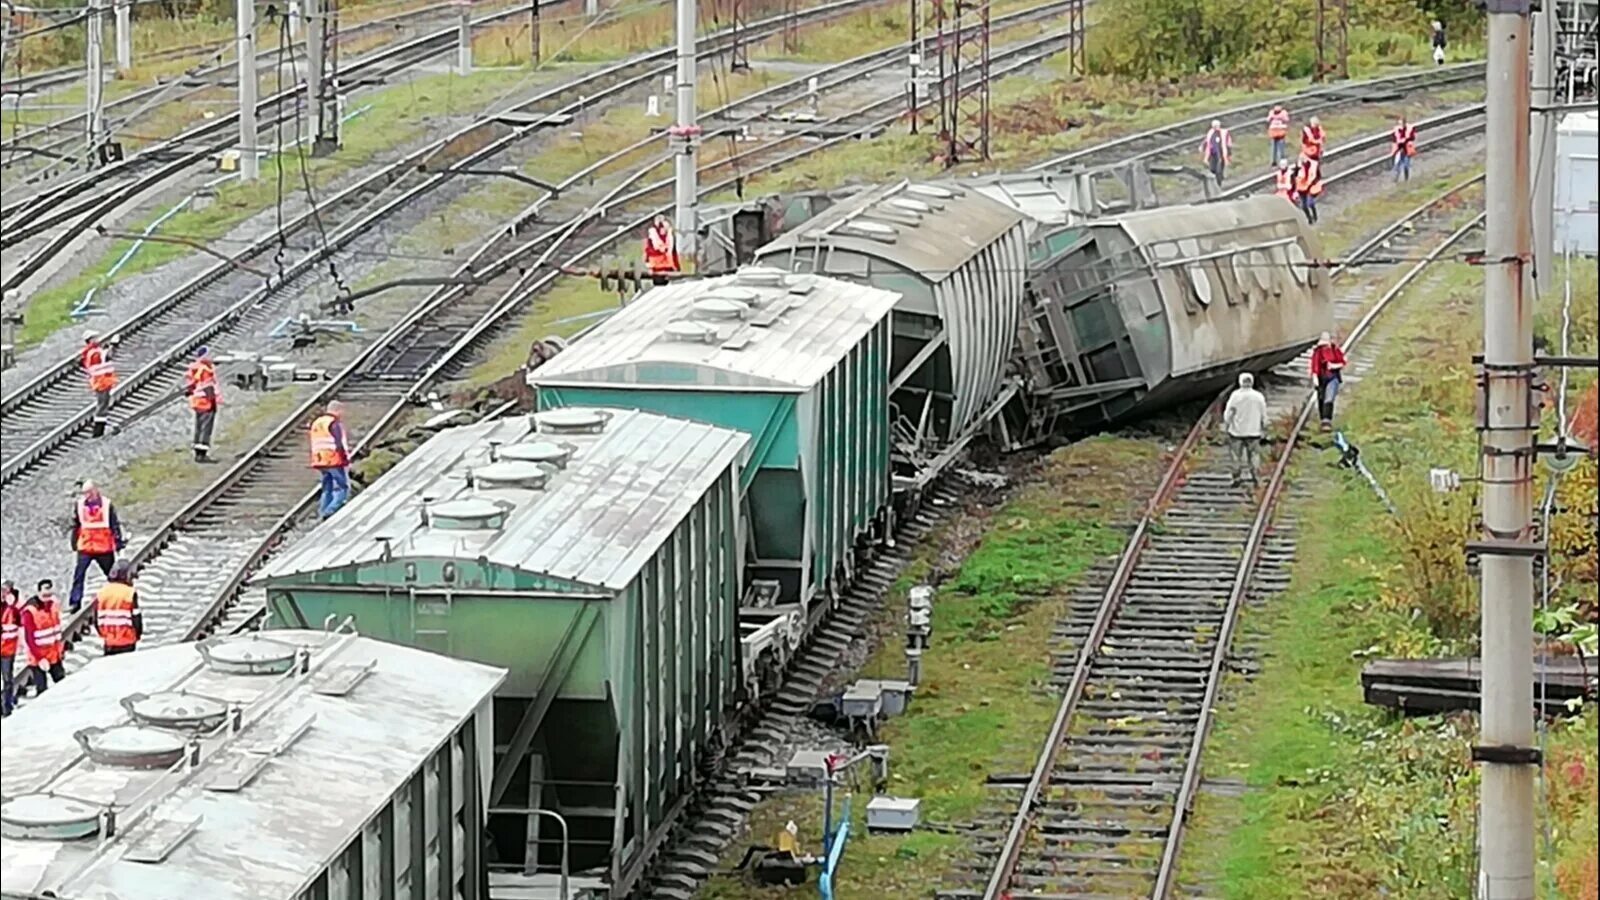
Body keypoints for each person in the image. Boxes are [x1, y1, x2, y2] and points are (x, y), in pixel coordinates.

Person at [69, 480, 124, 612]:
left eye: (89, 492)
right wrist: (74, 542)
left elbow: (114, 524)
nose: (86, 496)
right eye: (84, 493)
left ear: (95, 490)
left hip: (103, 547)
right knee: (79, 575)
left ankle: (119, 597)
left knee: (112, 574)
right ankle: (75, 603)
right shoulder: (79, 504)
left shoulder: (106, 505)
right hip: (86, 546)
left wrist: (118, 542)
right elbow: (76, 524)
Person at [1223, 372, 1267, 488]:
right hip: (1254, 432)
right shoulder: (1259, 397)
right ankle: (1256, 478)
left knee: (1236, 456)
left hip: (1237, 432)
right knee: (1254, 455)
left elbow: (1228, 413)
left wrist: (1227, 425)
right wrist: (1264, 428)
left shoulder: (1235, 396)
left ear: (1240, 382)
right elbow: (1264, 415)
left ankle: (1236, 478)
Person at [21, 582, 66, 695]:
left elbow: (56, 631)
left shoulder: (53, 606)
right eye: (45, 595)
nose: (47, 598)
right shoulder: (30, 611)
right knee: (42, 690)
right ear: (38, 592)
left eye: (49, 595)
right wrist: (40, 658)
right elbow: (29, 638)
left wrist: (60, 651)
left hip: (54, 654)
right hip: (38, 657)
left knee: (63, 683)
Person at [309, 401, 352, 518]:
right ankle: (330, 511)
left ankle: (323, 511)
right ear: (337, 410)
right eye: (341, 411)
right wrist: (346, 459)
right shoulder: (334, 423)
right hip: (333, 459)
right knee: (342, 487)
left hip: (319, 459)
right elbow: (339, 443)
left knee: (326, 488)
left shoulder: (317, 423)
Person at [93, 560, 142, 656]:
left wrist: (104, 635)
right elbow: (136, 619)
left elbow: (96, 620)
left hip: (109, 641)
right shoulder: (129, 593)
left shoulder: (102, 593)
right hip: (127, 640)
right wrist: (137, 634)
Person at [185, 346, 220, 463]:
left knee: (199, 427)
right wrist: (213, 400)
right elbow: (207, 386)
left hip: (197, 401)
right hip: (206, 402)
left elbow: (190, 386)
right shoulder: (206, 369)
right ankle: (202, 454)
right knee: (206, 428)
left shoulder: (195, 368)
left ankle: (197, 452)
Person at [81, 330, 117, 438]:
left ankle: (100, 429)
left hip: (102, 381)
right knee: (102, 405)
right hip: (101, 382)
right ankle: (98, 432)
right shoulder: (94, 352)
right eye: (95, 338)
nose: (98, 339)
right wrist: (113, 345)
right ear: (90, 340)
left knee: (103, 404)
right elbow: (108, 356)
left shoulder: (92, 351)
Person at [1310, 331, 1348, 430]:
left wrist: (1334, 366)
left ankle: (1327, 421)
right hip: (1321, 378)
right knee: (1321, 399)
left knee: (1329, 398)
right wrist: (1315, 377)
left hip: (1332, 377)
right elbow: (1315, 366)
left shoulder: (1335, 350)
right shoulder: (1318, 352)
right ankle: (1323, 418)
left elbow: (1343, 362)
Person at [1, 581, 19, 717]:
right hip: (7, 648)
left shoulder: (13, 607)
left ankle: (7, 706)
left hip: (7, 649)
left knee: (7, 679)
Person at [1199, 120, 1233, 184]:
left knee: (1219, 170)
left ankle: (1219, 181)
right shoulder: (1211, 133)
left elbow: (1228, 144)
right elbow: (1207, 141)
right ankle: (1215, 181)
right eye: (1214, 126)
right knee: (1212, 169)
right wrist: (1202, 147)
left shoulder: (1224, 133)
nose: (1216, 127)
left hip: (1221, 154)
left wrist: (1229, 154)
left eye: (1217, 126)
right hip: (1213, 154)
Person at [1294, 153, 1324, 225]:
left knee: (1310, 203)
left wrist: (1313, 182)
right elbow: (1295, 176)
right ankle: (1309, 218)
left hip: (1310, 187)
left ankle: (1315, 216)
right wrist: (1297, 168)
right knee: (1304, 206)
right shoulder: (1299, 166)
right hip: (1301, 188)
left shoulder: (1314, 165)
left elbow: (1318, 176)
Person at [1391, 115, 1418, 182]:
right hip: (1399, 149)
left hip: (1406, 149)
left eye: (1401, 123)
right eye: (1399, 123)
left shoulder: (1409, 128)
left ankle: (1406, 179)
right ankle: (1395, 179)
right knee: (1397, 164)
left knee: (1406, 164)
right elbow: (1394, 138)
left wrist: (1405, 140)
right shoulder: (1396, 129)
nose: (1400, 125)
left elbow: (1412, 137)